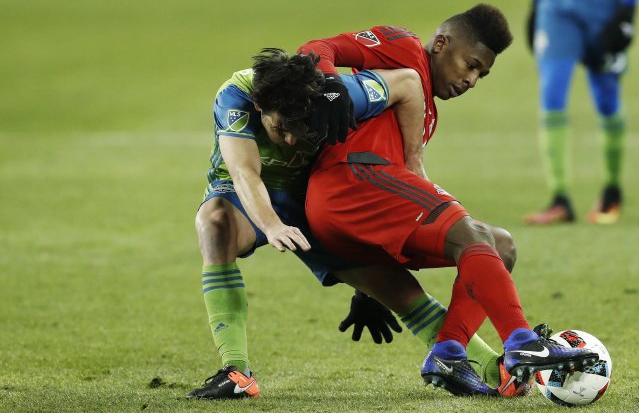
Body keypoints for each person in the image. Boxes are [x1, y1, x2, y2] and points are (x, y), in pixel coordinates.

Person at [187, 48, 529, 400]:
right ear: (260, 107)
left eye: (301, 131)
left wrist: (413, 167)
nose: (290, 141)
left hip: (313, 200)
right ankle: (236, 372)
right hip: (245, 194)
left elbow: (409, 84)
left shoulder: (339, 94)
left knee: (397, 293)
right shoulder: (237, 96)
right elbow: (245, 173)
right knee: (216, 226)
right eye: (280, 129)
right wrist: (272, 226)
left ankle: (496, 368)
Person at [299, 3, 600, 397]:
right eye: (471, 64)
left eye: (482, 74)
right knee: (470, 234)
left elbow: (393, 205)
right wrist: (329, 86)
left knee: (501, 245)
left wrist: (366, 288)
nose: (472, 80)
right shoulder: (403, 47)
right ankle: (523, 343)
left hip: (360, 211)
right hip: (350, 179)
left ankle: (448, 351)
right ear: (441, 43)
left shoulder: (428, 116)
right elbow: (317, 47)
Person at [523, 0, 639, 225]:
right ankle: (560, 199)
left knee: (607, 100)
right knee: (552, 94)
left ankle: (611, 191)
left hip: (605, 5)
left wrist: (628, 7)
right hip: (556, 1)